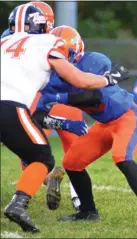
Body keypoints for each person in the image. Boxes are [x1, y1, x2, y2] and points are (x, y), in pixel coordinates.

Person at [1, 4, 120, 233]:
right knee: (42, 158)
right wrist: (108, 79)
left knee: (30, 149)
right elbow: (81, 80)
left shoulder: (4, 42)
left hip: (23, 107)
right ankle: (18, 204)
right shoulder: (48, 42)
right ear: (42, 24)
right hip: (11, 106)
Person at [40, 26, 137, 231]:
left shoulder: (93, 61)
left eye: (63, 54)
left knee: (121, 157)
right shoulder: (51, 78)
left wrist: (58, 98)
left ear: (75, 52)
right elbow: (39, 111)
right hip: (103, 123)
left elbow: (93, 96)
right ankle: (88, 212)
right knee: (72, 162)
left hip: (127, 116)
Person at [1, 1, 83, 212]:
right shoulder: (54, 39)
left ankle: (43, 182)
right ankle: (79, 197)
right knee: (70, 149)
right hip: (58, 98)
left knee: (29, 149)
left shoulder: (7, 39)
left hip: (30, 99)